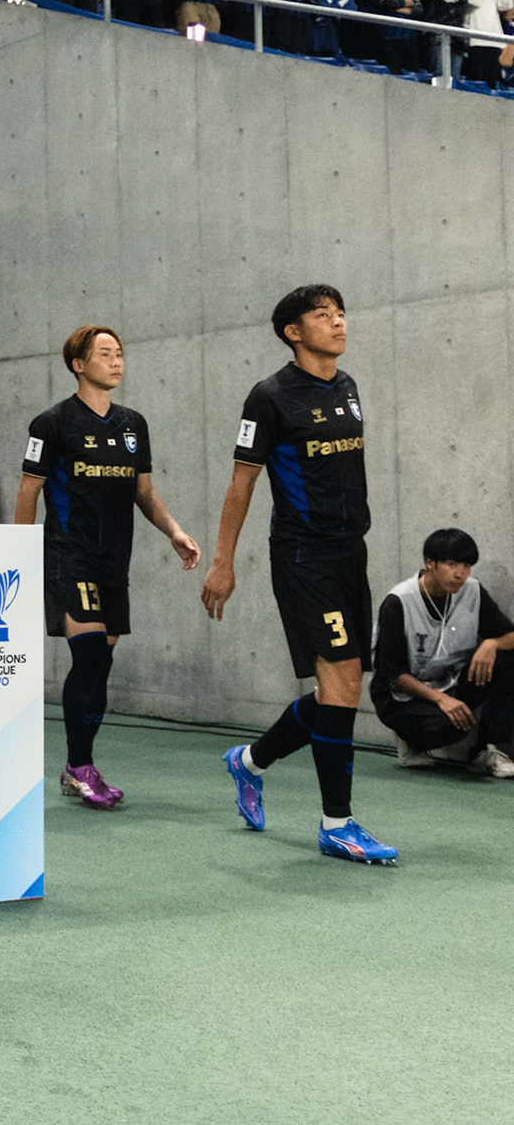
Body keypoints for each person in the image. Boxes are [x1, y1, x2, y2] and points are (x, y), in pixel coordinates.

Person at [203, 285, 396, 864]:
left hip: (349, 552)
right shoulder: (269, 397)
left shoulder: (348, 386)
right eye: (322, 315)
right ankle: (337, 823)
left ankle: (251, 761)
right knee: (340, 685)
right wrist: (222, 561)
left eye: (341, 313)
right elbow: (243, 484)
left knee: (340, 688)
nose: (337, 322)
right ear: (293, 331)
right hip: (302, 555)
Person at [15, 326, 200, 808]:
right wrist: (17, 553)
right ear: (78, 364)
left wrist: (174, 530)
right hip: (68, 554)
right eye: (105, 354)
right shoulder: (51, 423)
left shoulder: (133, 424)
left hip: (114, 559)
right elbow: (28, 492)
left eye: (120, 353)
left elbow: (144, 493)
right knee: (91, 657)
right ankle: (80, 768)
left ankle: (78, 765)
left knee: (101, 665)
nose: (116, 361)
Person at [371, 529, 514, 777]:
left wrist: (492, 644)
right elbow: (394, 676)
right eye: (452, 564)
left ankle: (487, 751)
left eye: (467, 565)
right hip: (401, 696)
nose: (460, 574)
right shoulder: (398, 602)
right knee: (450, 727)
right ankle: (411, 740)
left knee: (508, 657)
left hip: (451, 681)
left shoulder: (472, 591)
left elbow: (510, 635)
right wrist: (440, 699)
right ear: (430, 563)